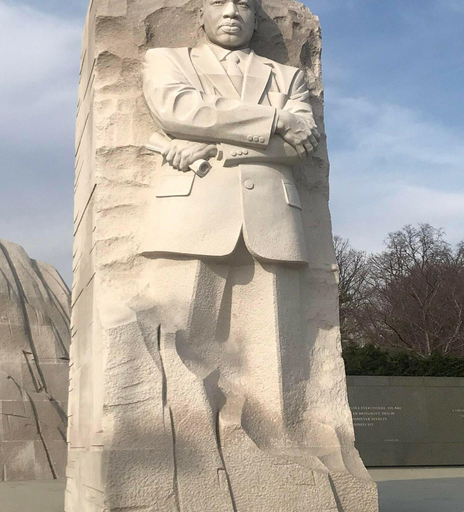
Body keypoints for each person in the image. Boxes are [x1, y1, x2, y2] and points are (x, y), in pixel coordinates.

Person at [140, 0, 371, 507]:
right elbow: (178, 110)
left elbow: (301, 144)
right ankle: (184, 455)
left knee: (276, 350)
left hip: (271, 217)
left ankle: (283, 451)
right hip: (192, 215)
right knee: (179, 341)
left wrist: (214, 145)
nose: (231, 12)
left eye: (243, 3)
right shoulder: (168, 61)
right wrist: (271, 121)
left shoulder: (287, 77)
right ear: (198, 14)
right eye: (218, 2)